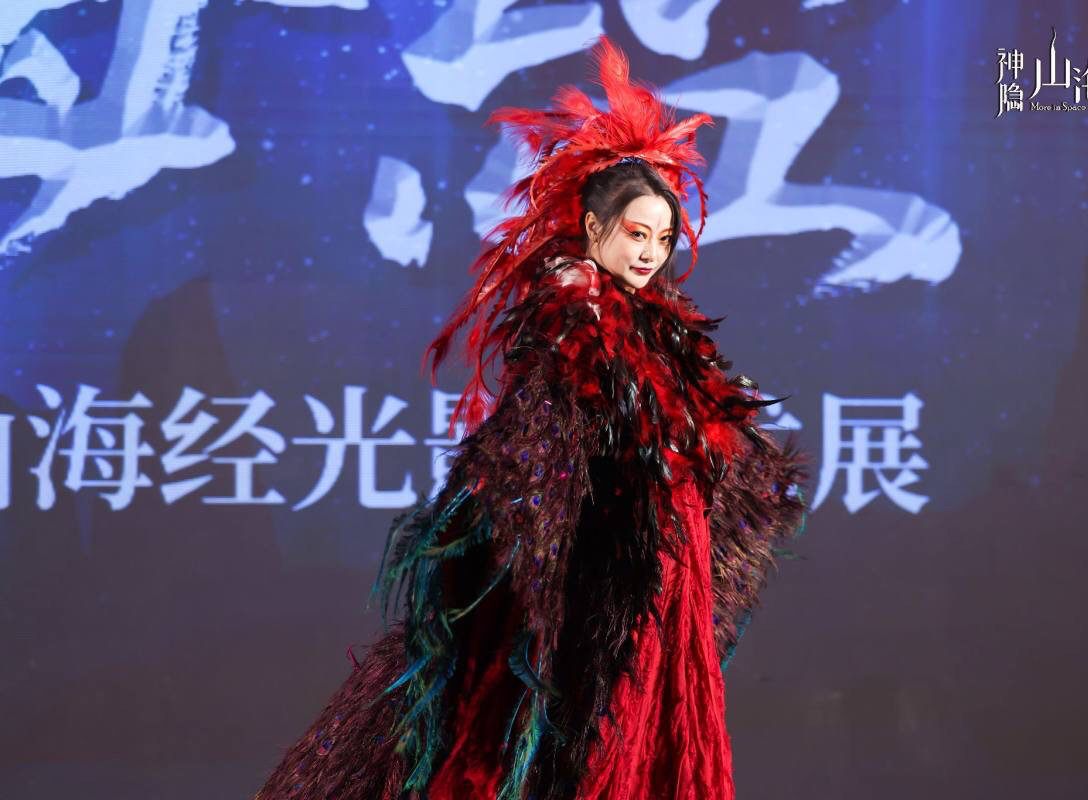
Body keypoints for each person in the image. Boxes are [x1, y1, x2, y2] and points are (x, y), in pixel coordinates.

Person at [255, 36, 810, 800]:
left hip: (667, 571)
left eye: (662, 239)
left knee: (663, 739)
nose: (650, 254)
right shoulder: (566, 322)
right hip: (602, 576)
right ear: (593, 229)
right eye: (635, 234)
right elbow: (535, 446)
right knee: (583, 746)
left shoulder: (660, 326)